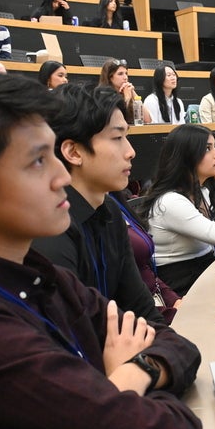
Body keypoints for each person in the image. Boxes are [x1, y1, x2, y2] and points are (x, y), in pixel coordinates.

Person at [0, 71, 202, 429]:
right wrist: (118, 383)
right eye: (38, 162)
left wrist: (132, 374)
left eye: (53, 154)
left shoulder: (39, 277)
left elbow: (178, 345)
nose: (60, 176)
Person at [33, 84, 169, 326]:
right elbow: (76, 333)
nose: (131, 152)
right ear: (73, 152)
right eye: (117, 138)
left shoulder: (110, 212)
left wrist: (167, 355)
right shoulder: (49, 230)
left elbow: (143, 311)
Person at [141, 124, 215, 294]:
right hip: (181, 287)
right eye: (207, 148)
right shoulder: (170, 202)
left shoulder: (201, 191)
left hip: (204, 275)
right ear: (186, 156)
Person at [109, 190, 182, 324]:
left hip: (157, 306)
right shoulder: (171, 201)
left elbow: (144, 268)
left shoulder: (114, 204)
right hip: (140, 319)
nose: (130, 167)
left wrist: (173, 300)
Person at [98, 58, 152, 124]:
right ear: (110, 77)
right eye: (120, 74)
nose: (125, 77)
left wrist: (133, 93)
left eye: (126, 73)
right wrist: (127, 99)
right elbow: (115, 121)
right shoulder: (102, 95)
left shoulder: (128, 92)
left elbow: (147, 120)